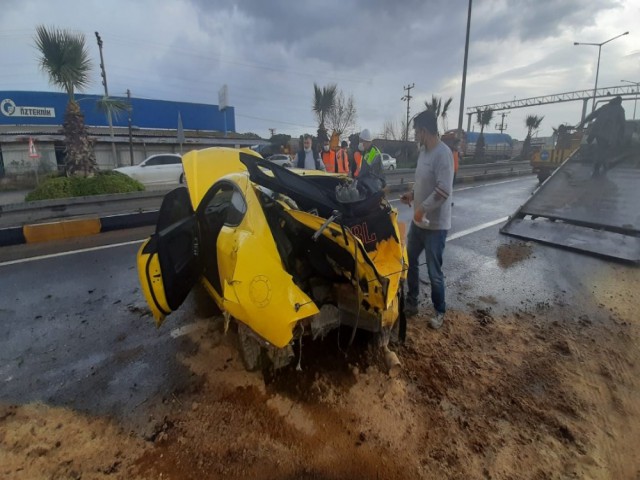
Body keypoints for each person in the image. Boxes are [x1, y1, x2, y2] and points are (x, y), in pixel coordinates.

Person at [400, 110, 454, 330]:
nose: (415, 136)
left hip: (435, 226)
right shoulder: (423, 152)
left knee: (434, 272)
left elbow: (443, 191)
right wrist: (412, 196)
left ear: (424, 130)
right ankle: (412, 303)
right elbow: (422, 182)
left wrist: (422, 209)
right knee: (410, 261)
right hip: (419, 222)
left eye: (416, 131)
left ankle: (439, 311)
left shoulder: (444, 154)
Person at [580, 96, 626, 176]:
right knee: (603, 149)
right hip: (607, 133)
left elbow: (593, 115)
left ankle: (603, 164)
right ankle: (598, 166)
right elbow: (623, 124)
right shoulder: (620, 109)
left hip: (596, 131)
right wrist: (621, 137)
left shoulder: (605, 106)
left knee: (602, 148)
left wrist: (583, 122)